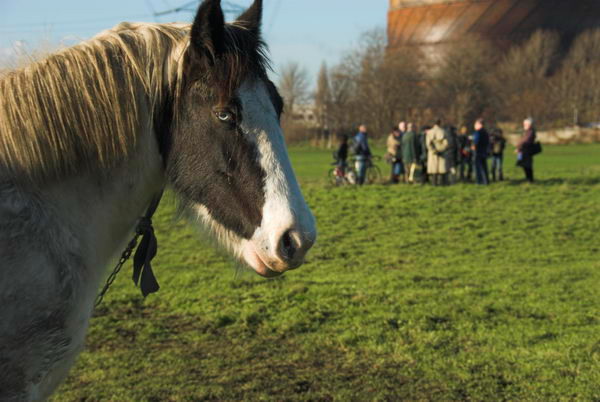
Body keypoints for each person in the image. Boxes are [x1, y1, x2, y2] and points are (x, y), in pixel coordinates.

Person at [426, 119, 448, 186]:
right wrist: (441, 150)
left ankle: (434, 183)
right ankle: (442, 183)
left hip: (433, 153)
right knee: (441, 169)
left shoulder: (429, 132)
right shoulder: (443, 131)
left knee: (433, 169)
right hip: (441, 152)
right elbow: (446, 143)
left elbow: (428, 144)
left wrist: (433, 150)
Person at [516, 117, 536, 183]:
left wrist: (519, 146)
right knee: (524, 166)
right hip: (523, 151)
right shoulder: (526, 132)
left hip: (527, 151)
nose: (524, 125)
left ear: (529, 125)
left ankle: (530, 179)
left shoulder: (530, 132)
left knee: (528, 166)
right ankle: (528, 178)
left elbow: (525, 141)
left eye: (525, 124)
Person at [472, 118, 490, 185]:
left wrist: (474, 146)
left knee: (478, 167)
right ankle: (486, 181)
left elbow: (476, 142)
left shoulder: (478, 132)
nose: (474, 125)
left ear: (479, 124)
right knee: (484, 167)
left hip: (478, 152)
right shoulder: (486, 132)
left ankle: (479, 181)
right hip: (484, 151)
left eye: (475, 124)